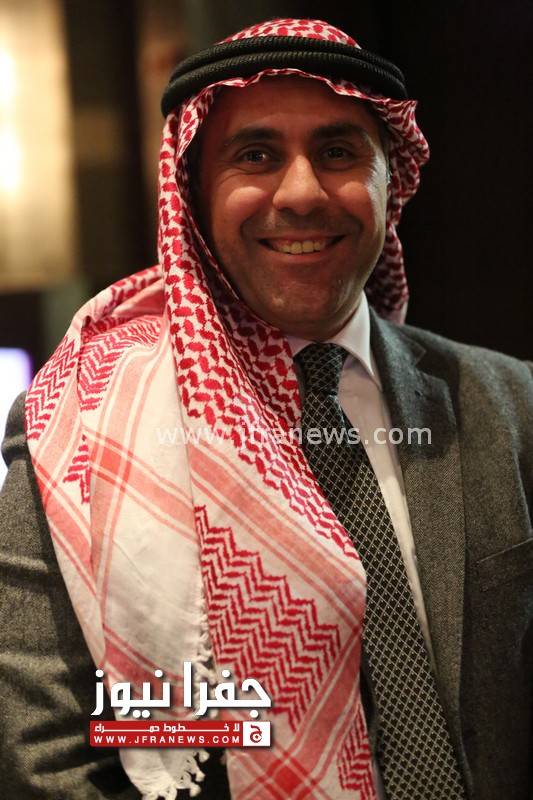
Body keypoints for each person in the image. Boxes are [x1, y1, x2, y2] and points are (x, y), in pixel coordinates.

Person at [0, 16, 532, 800]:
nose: (301, 193)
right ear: (193, 194)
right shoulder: (79, 422)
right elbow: (45, 753)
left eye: (338, 152)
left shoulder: (510, 405)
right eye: (255, 156)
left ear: (392, 180)